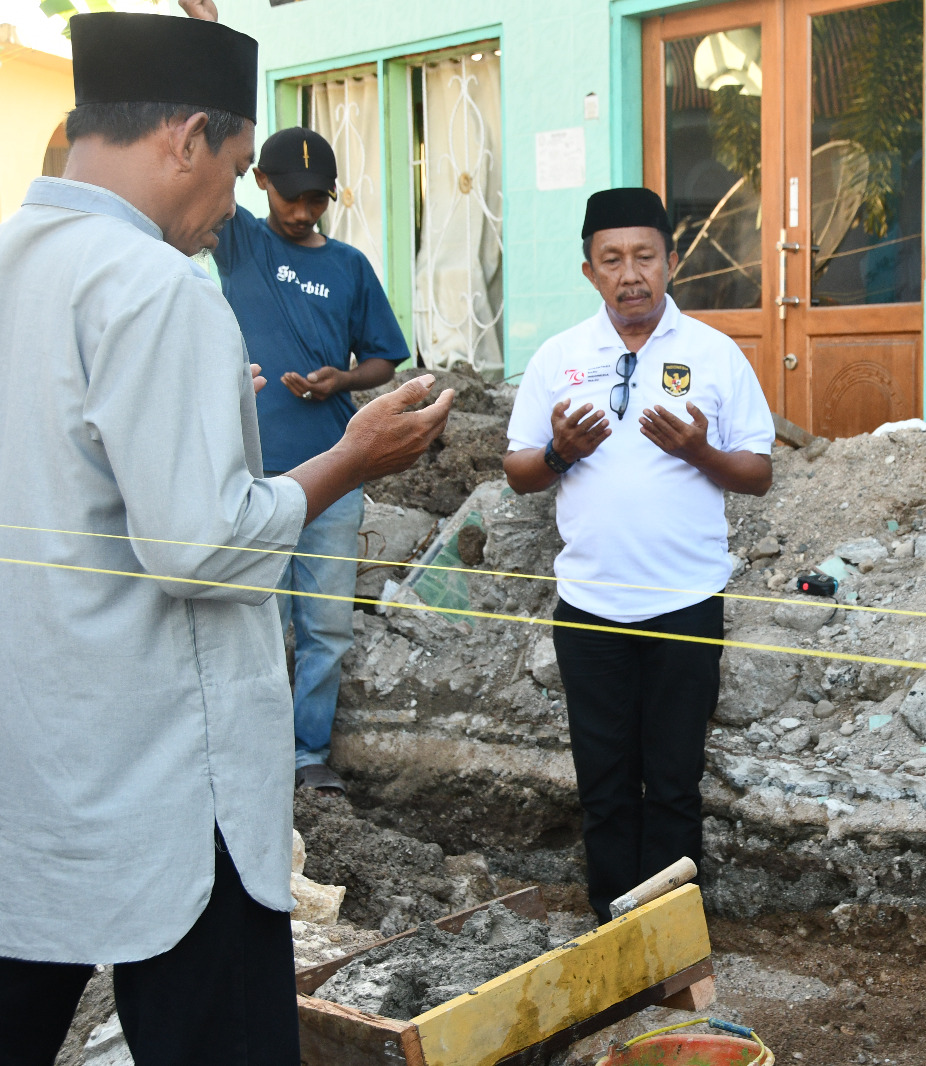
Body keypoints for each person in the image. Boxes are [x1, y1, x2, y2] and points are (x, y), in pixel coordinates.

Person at [0, 6, 453, 1064]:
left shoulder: (18, 261)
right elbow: (198, 549)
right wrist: (351, 456)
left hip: (38, 756)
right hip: (168, 778)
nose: (234, 204)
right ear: (186, 135)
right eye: (241, 164)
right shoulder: (155, 286)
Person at [502, 188, 774, 922]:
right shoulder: (559, 358)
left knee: (675, 779)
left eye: (645, 257)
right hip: (589, 610)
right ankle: (614, 931)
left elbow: (758, 472)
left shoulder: (714, 355)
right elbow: (519, 469)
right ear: (590, 271)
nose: (631, 274)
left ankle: (674, 934)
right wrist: (562, 451)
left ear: (671, 261)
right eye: (612, 259)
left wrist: (699, 451)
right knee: (605, 782)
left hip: (686, 605)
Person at [212, 124, 411, 797]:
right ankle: (252, 749)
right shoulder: (239, 241)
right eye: (291, 197)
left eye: (318, 201)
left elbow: (384, 354)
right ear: (259, 182)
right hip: (249, 473)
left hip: (334, 474)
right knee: (254, 621)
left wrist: (342, 381)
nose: (302, 213)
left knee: (324, 622)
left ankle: (307, 752)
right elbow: (213, 150)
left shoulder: (350, 266)